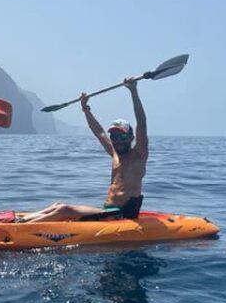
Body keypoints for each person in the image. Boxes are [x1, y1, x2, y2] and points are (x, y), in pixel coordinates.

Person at [23, 78, 148, 222]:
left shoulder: (139, 155)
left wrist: (133, 91)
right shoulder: (115, 154)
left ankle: (20, 229)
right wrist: (85, 109)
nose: (117, 140)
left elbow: (142, 124)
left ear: (131, 138)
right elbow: (99, 132)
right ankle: (21, 221)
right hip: (108, 211)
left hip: (122, 215)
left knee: (65, 210)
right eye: (114, 136)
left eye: (121, 136)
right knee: (58, 205)